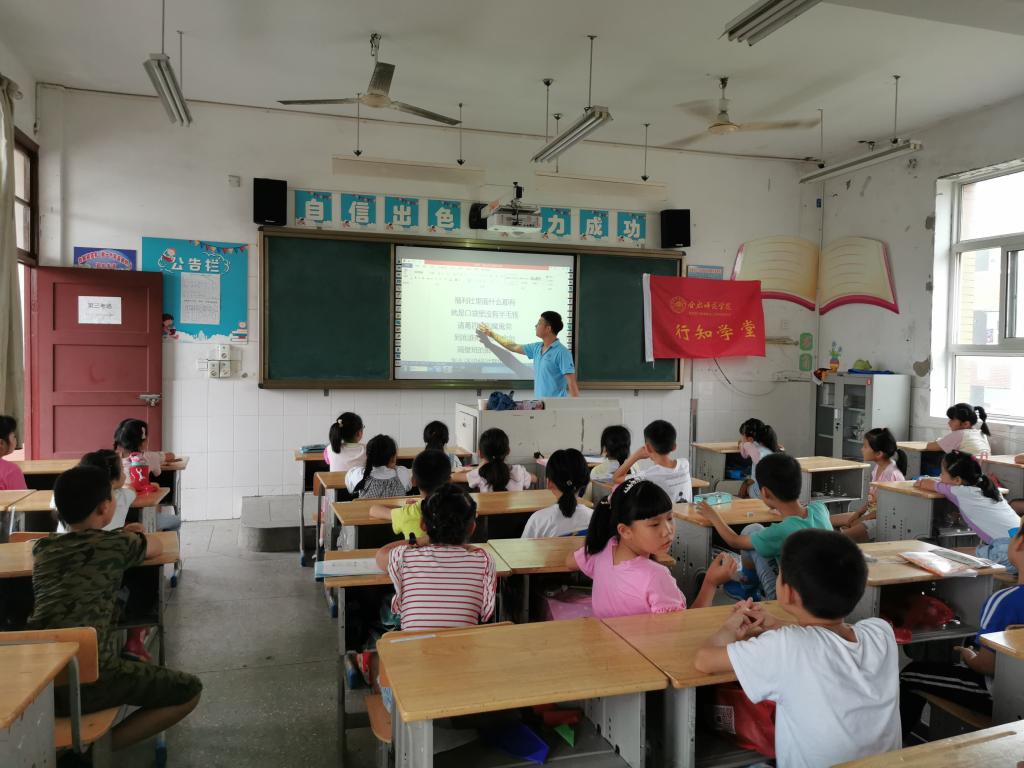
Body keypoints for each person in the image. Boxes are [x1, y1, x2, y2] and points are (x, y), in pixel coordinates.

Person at [28, 466, 202, 751]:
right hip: (95, 677)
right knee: (190, 690)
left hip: (38, 679)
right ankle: (102, 751)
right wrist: (131, 535)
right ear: (104, 508)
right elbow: (156, 547)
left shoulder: (42, 549)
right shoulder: (117, 544)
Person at [694, 529, 901, 768]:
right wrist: (777, 624)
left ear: (789, 593)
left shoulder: (787, 646)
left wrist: (731, 626)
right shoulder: (881, 633)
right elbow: (830, 635)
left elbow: (704, 660)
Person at [899, 526, 1024, 740]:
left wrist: (970, 657)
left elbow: (987, 666)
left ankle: (894, 746)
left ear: (1019, 543)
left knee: (910, 674)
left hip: (1002, 695)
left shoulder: (1004, 601)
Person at [566, 479, 735, 616]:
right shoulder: (656, 577)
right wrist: (710, 582)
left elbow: (569, 561)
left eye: (670, 518)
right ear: (625, 531)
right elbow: (683, 632)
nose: (667, 530)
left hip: (606, 646)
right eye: (654, 524)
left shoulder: (603, 550)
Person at [697, 453, 832, 600]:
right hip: (824, 591)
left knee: (751, 532)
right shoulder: (820, 509)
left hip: (789, 599)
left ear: (765, 493)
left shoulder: (781, 531)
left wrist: (713, 516)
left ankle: (748, 589)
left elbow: (734, 541)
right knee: (755, 531)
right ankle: (750, 586)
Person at [375, 484, 497, 631]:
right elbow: (485, 614)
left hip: (414, 643)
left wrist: (421, 540)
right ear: (472, 528)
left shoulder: (406, 557)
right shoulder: (484, 561)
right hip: (463, 644)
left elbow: (381, 555)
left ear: (422, 525)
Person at [915, 451, 1021, 573]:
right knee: (955, 553)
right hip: (1018, 543)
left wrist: (922, 481)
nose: (940, 476)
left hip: (1008, 551)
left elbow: (925, 483)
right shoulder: (987, 486)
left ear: (957, 480)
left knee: (947, 555)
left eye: (942, 473)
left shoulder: (958, 491)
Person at [477, 311, 579, 398]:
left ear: (548, 328)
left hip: (556, 407)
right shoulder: (536, 347)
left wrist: (576, 410)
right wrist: (492, 334)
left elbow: (571, 383)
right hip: (539, 405)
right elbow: (513, 346)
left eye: (539, 323)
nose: (536, 326)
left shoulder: (562, 352)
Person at [835, 428, 907, 542]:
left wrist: (861, 520)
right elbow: (871, 502)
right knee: (827, 520)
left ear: (878, 454)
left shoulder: (891, 474)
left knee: (839, 539)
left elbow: (885, 510)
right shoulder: (878, 467)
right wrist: (858, 513)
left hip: (883, 520)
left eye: (865, 446)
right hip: (871, 514)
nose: (861, 449)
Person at [369, 449, 452, 541]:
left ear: (414, 481)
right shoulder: (460, 508)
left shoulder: (408, 513)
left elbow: (373, 509)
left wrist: (404, 507)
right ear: (450, 480)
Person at [112, 418, 179, 531]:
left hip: (117, 512)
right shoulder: (149, 457)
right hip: (142, 511)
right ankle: (159, 533)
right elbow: (170, 456)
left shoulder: (112, 460)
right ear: (143, 442)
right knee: (174, 521)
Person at [612, 419, 692, 503]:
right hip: (687, 511)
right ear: (674, 447)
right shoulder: (685, 464)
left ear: (648, 447)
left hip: (665, 512)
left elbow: (616, 478)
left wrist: (635, 456)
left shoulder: (647, 476)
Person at [522, 448, 592, 538]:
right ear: (584, 482)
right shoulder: (596, 518)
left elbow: (523, 547)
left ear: (549, 483)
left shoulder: (538, 521)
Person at [466, 428, 535, 492]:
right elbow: (535, 479)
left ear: (480, 454)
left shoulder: (479, 473)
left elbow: (458, 477)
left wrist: (479, 467)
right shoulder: (519, 471)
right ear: (508, 451)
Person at [346, 434, 413, 499]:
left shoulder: (359, 474)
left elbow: (350, 488)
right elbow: (408, 487)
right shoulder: (402, 473)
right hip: (395, 507)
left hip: (368, 507)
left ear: (368, 456)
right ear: (392, 457)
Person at [924, 402, 992, 457]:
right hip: (984, 469)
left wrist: (939, 441)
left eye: (952, 420)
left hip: (967, 469)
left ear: (966, 424)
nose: (949, 423)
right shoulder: (981, 433)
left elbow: (929, 446)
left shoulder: (960, 434)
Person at [736, 417, 780, 499]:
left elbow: (744, 454)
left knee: (746, 483)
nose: (742, 439)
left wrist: (741, 444)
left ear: (750, 439)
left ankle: (740, 501)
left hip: (763, 490)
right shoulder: (770, 446)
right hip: (776, 490)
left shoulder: (750, 446)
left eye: (742, 436)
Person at [0, 415, 27, 490]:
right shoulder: (11, 470)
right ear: (1, 443)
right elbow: (22, 496)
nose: (15, 439)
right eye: (14, 436)